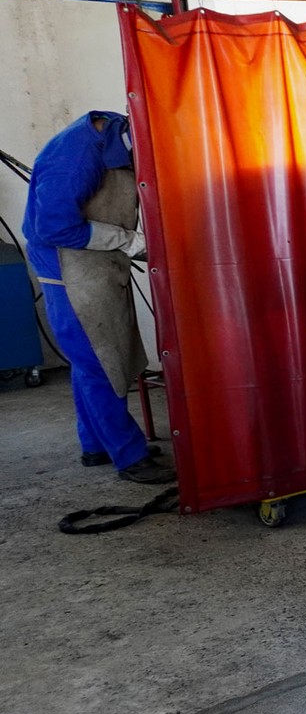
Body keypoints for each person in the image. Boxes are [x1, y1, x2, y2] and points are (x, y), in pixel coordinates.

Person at [22, 111, 173, 483]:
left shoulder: (116, 132)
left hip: (93, 262)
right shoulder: (75, 158)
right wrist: (129, 241)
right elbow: (54, 227)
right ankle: (130, 457)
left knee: (87, 360)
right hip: (66, 267)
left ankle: (96, 445)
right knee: (99, 364)